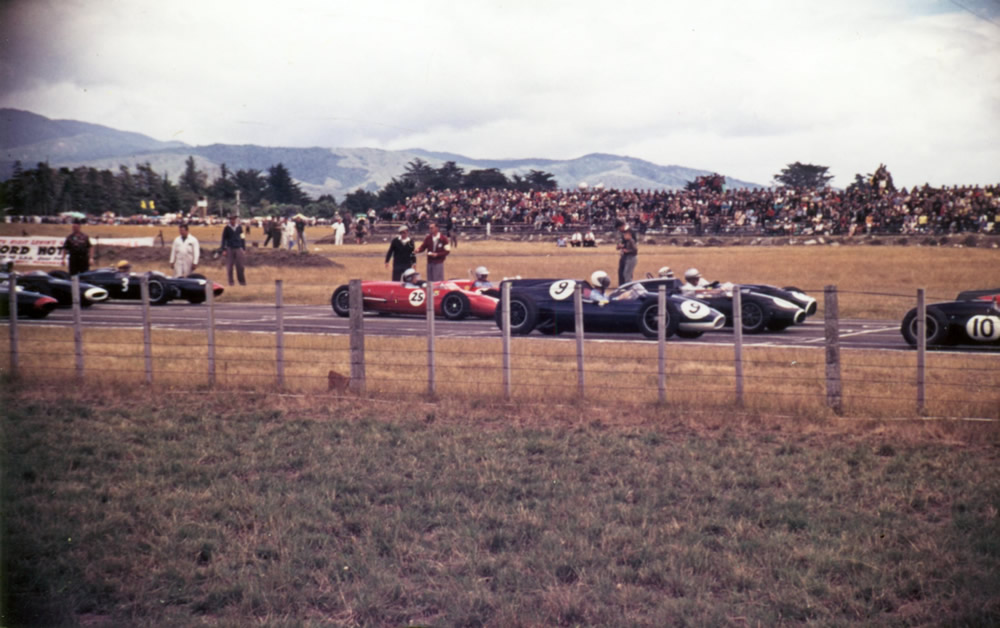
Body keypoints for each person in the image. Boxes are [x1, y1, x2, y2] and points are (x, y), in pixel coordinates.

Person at [220, 214, 247, 286]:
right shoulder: (227, 228)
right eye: (231, 219)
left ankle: (242, 282)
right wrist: (224, 249)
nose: (232, 221)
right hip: (230, 248)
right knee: (229, 267)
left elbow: (242, 237)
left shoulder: (239, 227)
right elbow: (224, 239)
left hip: (238, 247)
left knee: (240, 266)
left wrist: (243, 248)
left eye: (233, 219)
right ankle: (231, 282)